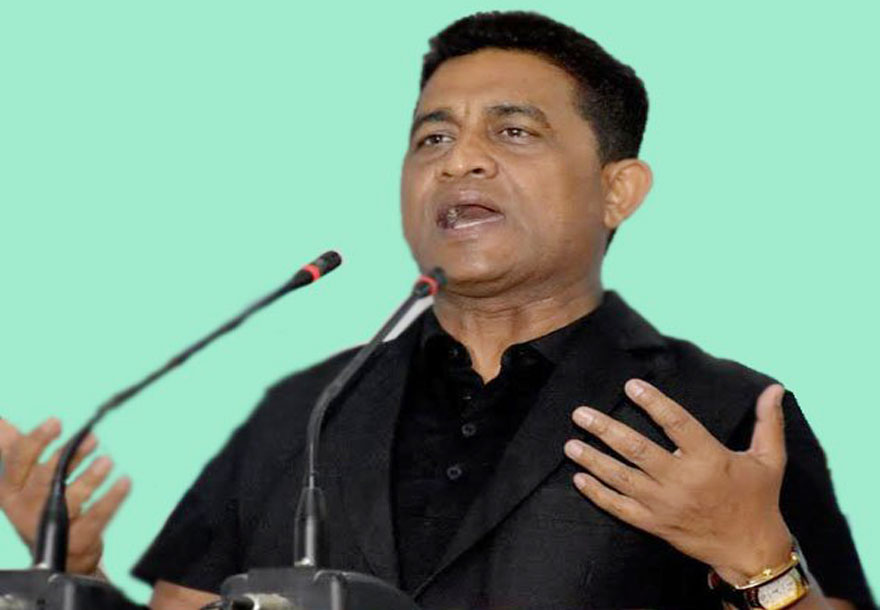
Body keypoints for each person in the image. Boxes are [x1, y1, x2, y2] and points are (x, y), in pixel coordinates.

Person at [0, 10, 874, 610]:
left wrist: (759, 562)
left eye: (513, 131)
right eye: (433, 137)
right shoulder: (304, 411)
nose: (460, 161)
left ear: (618, 190)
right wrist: (74, 580)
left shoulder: (723, 413)